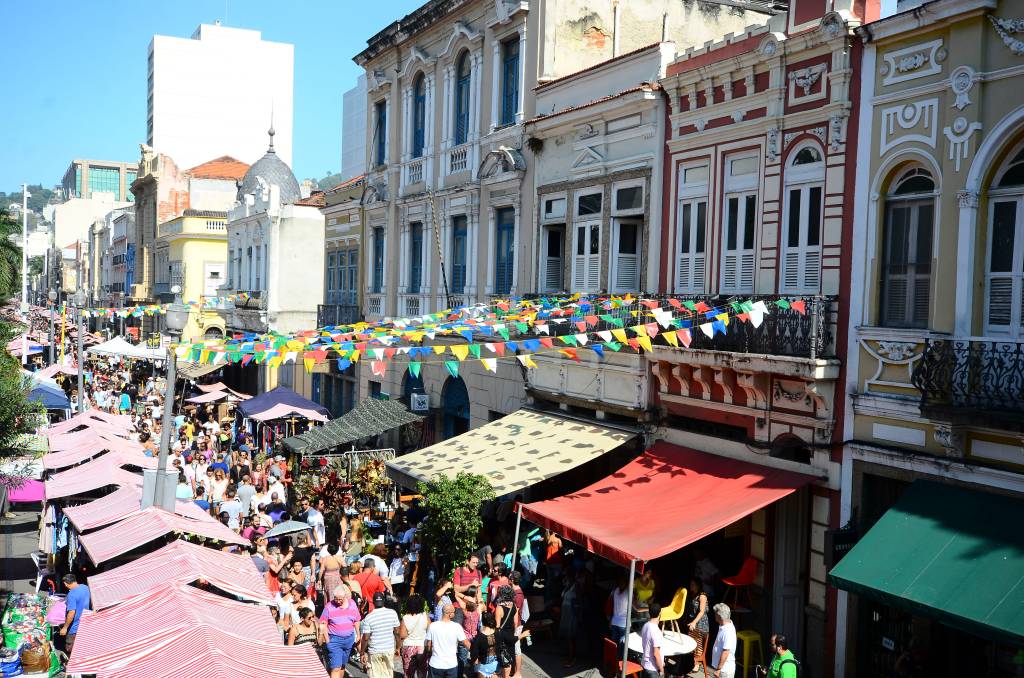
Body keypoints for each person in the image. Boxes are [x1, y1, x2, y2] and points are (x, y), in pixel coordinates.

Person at [320, 584, 362, 678]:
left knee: (342, 666)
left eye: (340, 599)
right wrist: (327, 641)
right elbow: (323, 624)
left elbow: (356, 620)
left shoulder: (352, 604)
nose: (338, 601)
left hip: (349, 639)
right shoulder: (329, 606)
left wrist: (358, 634)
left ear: (345, 596)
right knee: (335, 668)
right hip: (335, 640)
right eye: (336, 599)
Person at [360, 592, 401, 678]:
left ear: (373, 602)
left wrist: (362, 653)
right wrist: (398, 647)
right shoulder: (392, 613)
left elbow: (366, 638)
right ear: (384, 601)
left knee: (375, 675)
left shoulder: (369, 617)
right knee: (388, 674)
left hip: (375, 651)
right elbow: (397, 632)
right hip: (388, 650)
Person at [425, 604, 470, 678]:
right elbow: (466, 643)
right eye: (453, 612)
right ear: (450, 614)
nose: (454, 614)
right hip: (451, 664)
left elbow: (428, 645)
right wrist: (476, 654)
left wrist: (430, 654)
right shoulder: (457, 627)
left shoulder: (433, 625)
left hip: (435, 663)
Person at [400, 593, 430, 678]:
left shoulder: (405, 617)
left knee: (409, 673)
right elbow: (430, 629)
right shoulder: (425, 616)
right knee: (423, 672)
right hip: (422, 646)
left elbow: (402, 635)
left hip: (409, 646)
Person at [59, 573, 90, 654]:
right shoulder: (85, 587)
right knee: (82, 645)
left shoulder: (72, 594)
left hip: (74, 627)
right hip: (85, 622)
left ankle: (71, 662)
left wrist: (65, 628)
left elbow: (71, 613)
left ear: (66, 583)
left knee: (70, 648)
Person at [687, 578, 711, 672]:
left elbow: (701, 611)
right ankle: (692, 662)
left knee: (698, 643)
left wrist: (694, 622)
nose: (691, 586)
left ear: (697, 585)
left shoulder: (702, 596)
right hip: (694, 622)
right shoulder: (694, 595)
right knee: (691, 642)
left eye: (693, 584)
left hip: (701, 623)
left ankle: (697, 664)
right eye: (691, 584)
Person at [710, 603, 736, 678]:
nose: (714, 615)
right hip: (722, 669)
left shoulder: (728, 631)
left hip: (724, 670)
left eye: (715, 613)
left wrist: (718, 669)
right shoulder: (724, 625)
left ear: (719, 616)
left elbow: (726, 652)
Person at [470, 611, 500, 678]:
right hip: (496, 665)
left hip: (483, 667)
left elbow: (474, 654)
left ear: (482, 622)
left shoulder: (479, 637)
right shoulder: (498, 633)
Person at [641, 602, 664, 678]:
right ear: (660, 614)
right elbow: (656, 654)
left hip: (644, 665)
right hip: (652, 669)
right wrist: (662, 670)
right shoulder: (656, 631)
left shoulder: (645, 625)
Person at [608, 575, 630, 648]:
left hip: (614, 621)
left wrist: (610, 620)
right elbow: (637, 608)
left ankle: (613, 658)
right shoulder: (628, 593)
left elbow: (610, 605)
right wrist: (649, 608)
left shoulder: (615, 591)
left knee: (614, 644)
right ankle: (619, 659)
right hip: (623, 623)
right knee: (621, 645)